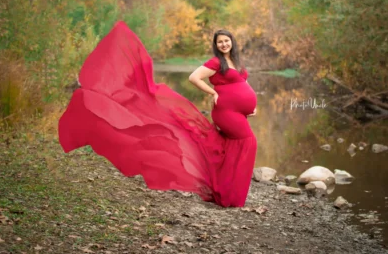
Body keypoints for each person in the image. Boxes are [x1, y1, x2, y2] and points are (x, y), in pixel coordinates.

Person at [58, 21, 258, 207]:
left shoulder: (236, 61)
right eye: (220, 42)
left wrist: (251, 106)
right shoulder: (215, 62)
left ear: (232, 41)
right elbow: (194, 77)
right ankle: (229, 192)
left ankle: (226, 191)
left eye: (226, 40)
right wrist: (213, 92)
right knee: (248, 141)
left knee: (230, 147)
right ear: (216, 45)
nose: (224, 44)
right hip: (226, 111)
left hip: (239, 112)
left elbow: (243, 82)